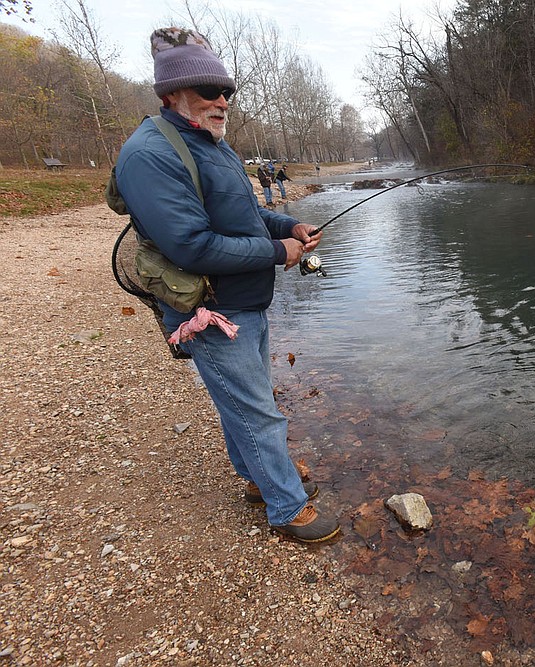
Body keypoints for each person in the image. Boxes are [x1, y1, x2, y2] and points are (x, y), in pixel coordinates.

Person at [114, 27, 340, 543]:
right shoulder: (149, 153)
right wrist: (277, 251)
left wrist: (289, 228)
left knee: (242, 403)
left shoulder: (212, 140)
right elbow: (190, 245)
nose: (222, 101)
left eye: (226, 92)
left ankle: (260, 480)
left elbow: (244, 212)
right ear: (171, 95)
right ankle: (286, 507)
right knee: (260, 413)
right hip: (211, 312)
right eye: (209, 91)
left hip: (245, 303)